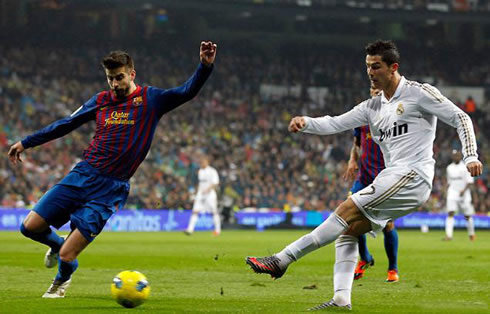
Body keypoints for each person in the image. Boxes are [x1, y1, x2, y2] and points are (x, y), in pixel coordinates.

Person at [246, 40, 482, 310]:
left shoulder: (419, 93)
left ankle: (281, 260)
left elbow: (461, 118)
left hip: (413, 175)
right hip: (392, 177)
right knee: (349, 230)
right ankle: (341, 299)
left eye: (376, 66)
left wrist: (471, 155)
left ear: (394, 67)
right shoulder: (372, 107)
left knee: (345, 209)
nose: (370, 72)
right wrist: (307, 123)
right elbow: (336, 121)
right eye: (368, 67)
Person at [7, 41, 217, 298]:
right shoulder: (101, 101)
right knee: (29, 227)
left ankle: (61, 281)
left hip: (110, 188)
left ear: (132, 74)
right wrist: (26, 142)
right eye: (110, 79)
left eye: (119, 77)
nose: (115, 84)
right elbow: (66, 124)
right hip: (82, 174)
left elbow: (186, 91)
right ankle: (57, 243)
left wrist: (204, 67)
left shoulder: (151, 99)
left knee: (67, 255)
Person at [343, 85, 400, 283]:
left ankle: (392, 268)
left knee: (387, 224)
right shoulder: (363, 115)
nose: (375, 91)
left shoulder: (394, 116)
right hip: (364, 177)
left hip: (386, 177)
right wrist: (352, 160)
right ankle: (365, 257)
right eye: (372, 89)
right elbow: (357, 144)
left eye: (379, 89)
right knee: (350, 218)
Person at [185, 154, 221, 236]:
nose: (202, 163)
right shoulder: (200, 171)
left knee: (214, 212)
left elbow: (216, 182)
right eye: (201, 162)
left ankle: (217, 230)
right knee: (195, 211)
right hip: (200, 194)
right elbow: (200, 183)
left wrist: (208, 189)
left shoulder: (212, 171)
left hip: (210, 194)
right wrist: (197, 192)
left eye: (203, 162)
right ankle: (190, 230)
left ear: (207, 162)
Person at [444, 149, 476, 241]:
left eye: (457, 155)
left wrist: (464, 190)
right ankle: (448, 236)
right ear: (452, 157)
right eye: (454, 155)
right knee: (450, 212)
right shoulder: (449, 168)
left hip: (464, 193)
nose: (456, 157)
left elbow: (470, 182)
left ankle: (471, 234)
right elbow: (449, 182)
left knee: (467, 215)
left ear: (460, 156)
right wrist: (446, 191)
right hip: (452, 192)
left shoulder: (465, 167)